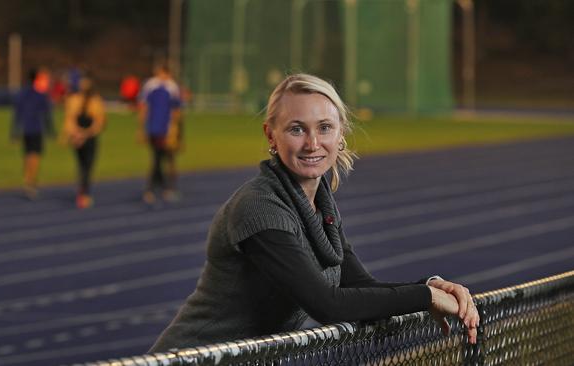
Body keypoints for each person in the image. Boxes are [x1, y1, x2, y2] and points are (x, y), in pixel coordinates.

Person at [149, 74, 479, 352]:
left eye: (324, 128)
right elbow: (328, 305)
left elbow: (360, 285)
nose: (312, 143)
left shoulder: (318, 204)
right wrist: (426, 297)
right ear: (271, 135)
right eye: (296, 129)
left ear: (341, 134)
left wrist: (434, 286)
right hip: (188, 360)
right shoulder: (260, 206)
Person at [136, 61, 182, 204]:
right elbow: (144, 107)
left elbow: (176, 111)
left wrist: (174, 129)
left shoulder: (172, 87)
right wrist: (141, 128)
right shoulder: (150, 86)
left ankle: (162, 188)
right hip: (154, 128)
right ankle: (156, 189)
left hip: (166, 128)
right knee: (157, 158)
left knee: (167, 158)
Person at [63, 74, 106, 209]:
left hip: (86, 137)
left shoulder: (94, 101)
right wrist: (76, 134)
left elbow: (99, 122)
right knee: (85, 166)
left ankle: (83, 192)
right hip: (83, 138)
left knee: (84, 166)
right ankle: (84, 194)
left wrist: (81, 134)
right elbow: (70, 119)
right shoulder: (77, 100)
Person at [11, 68, 54, 200]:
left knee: (27, 155)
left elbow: (17, 114)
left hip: (25, 129)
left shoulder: (22, 94)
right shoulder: (40, 95)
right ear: (36, 79)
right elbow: (47, 115)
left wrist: (14, 131)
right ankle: (31, 182)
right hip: (36, 129)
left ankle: (27, 179)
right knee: (35, 156)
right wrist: (51, 130)